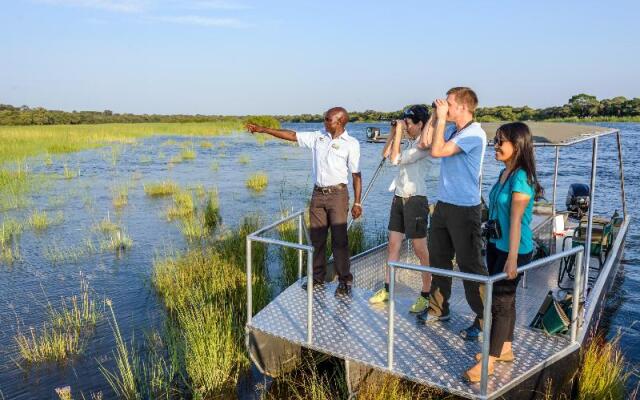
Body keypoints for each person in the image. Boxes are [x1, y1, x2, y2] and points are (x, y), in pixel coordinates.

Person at [246, 107, 362, 296]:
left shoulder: (352, 144)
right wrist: (263, 129)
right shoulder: (319, 137)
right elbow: (292, 135)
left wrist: (357, 203)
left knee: (340, 241)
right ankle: (317, 279)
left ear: (340, 122)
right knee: (316, 239)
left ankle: (344, 281)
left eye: (328, 119)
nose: (324, 122)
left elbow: (356, 175)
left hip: (338, 195)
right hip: (317, 195)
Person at [464, 122, 542, 382]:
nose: (495, 146)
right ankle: (505, 348)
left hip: (515, 250)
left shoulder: (521, 177)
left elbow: (517, 220)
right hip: (498, 245)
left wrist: (511, 259)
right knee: (505, 302)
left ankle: (488, 362)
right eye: (495, 140)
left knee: (500, 303)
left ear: (517, 146)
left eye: (500, 142)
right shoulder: (503, 173)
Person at [418, 87, 489, 341]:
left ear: (462, 107)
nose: (445, 106)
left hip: (465, 209)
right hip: (443, 205)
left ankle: (483, 320)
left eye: (449, 104)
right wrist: (434, 117)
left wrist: (440, 117)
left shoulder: (473, 134)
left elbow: (437, 152)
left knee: (470, 265)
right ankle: (439, 308)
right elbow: (425, 143)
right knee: (439, 258)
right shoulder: (451, 130)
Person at [368, 105, 439, 313]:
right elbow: (386, 154)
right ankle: (387, 289)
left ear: (420, 124)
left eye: (408, 124)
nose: (406, 127)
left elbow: (396, 159)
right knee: (392, 245)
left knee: (420, 250)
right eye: (404, 123)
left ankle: (426, 294)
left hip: (415, 200)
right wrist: (392, 133)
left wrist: (399, 132)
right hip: (398, 198)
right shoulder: (409, 142)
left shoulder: (424, 145)